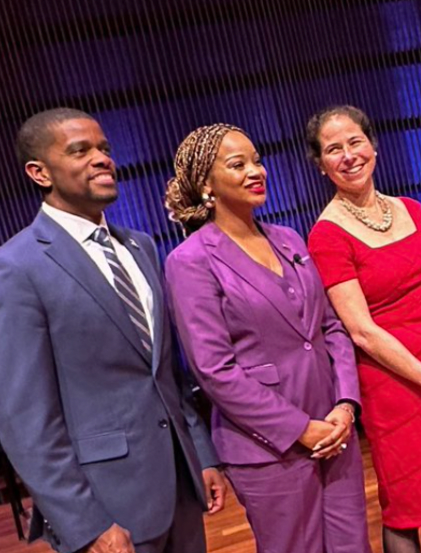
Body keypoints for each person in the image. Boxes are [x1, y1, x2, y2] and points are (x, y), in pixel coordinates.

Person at [0, 108, 226, 553]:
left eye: (104, 148)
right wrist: (84, 524)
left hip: (180, 487)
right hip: (107, 505)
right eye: (80, 150)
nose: (102, 158)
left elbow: (164, 373)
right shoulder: (11, 269)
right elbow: (24, 421)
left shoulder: (141, 246)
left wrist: (200, 454)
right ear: (39, 172)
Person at [162, 123, 371, 553]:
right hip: (269, 449)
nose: (256, 171)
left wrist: (347, 404)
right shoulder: (191, 261)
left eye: (257, 160)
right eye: (237, 165)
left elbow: (330, 328)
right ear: (206, 184)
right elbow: (214, 370)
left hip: (335, 429)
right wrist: (300, 429)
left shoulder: (289, 238)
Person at [305, 106, 421, 553]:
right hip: (395, 383)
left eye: (354, 142)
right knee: (406, 507)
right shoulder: (326, 234)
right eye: (333, 149)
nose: (348, 155)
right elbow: (361, 331)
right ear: (321, 164)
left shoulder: (412, 209)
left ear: (373, 145)